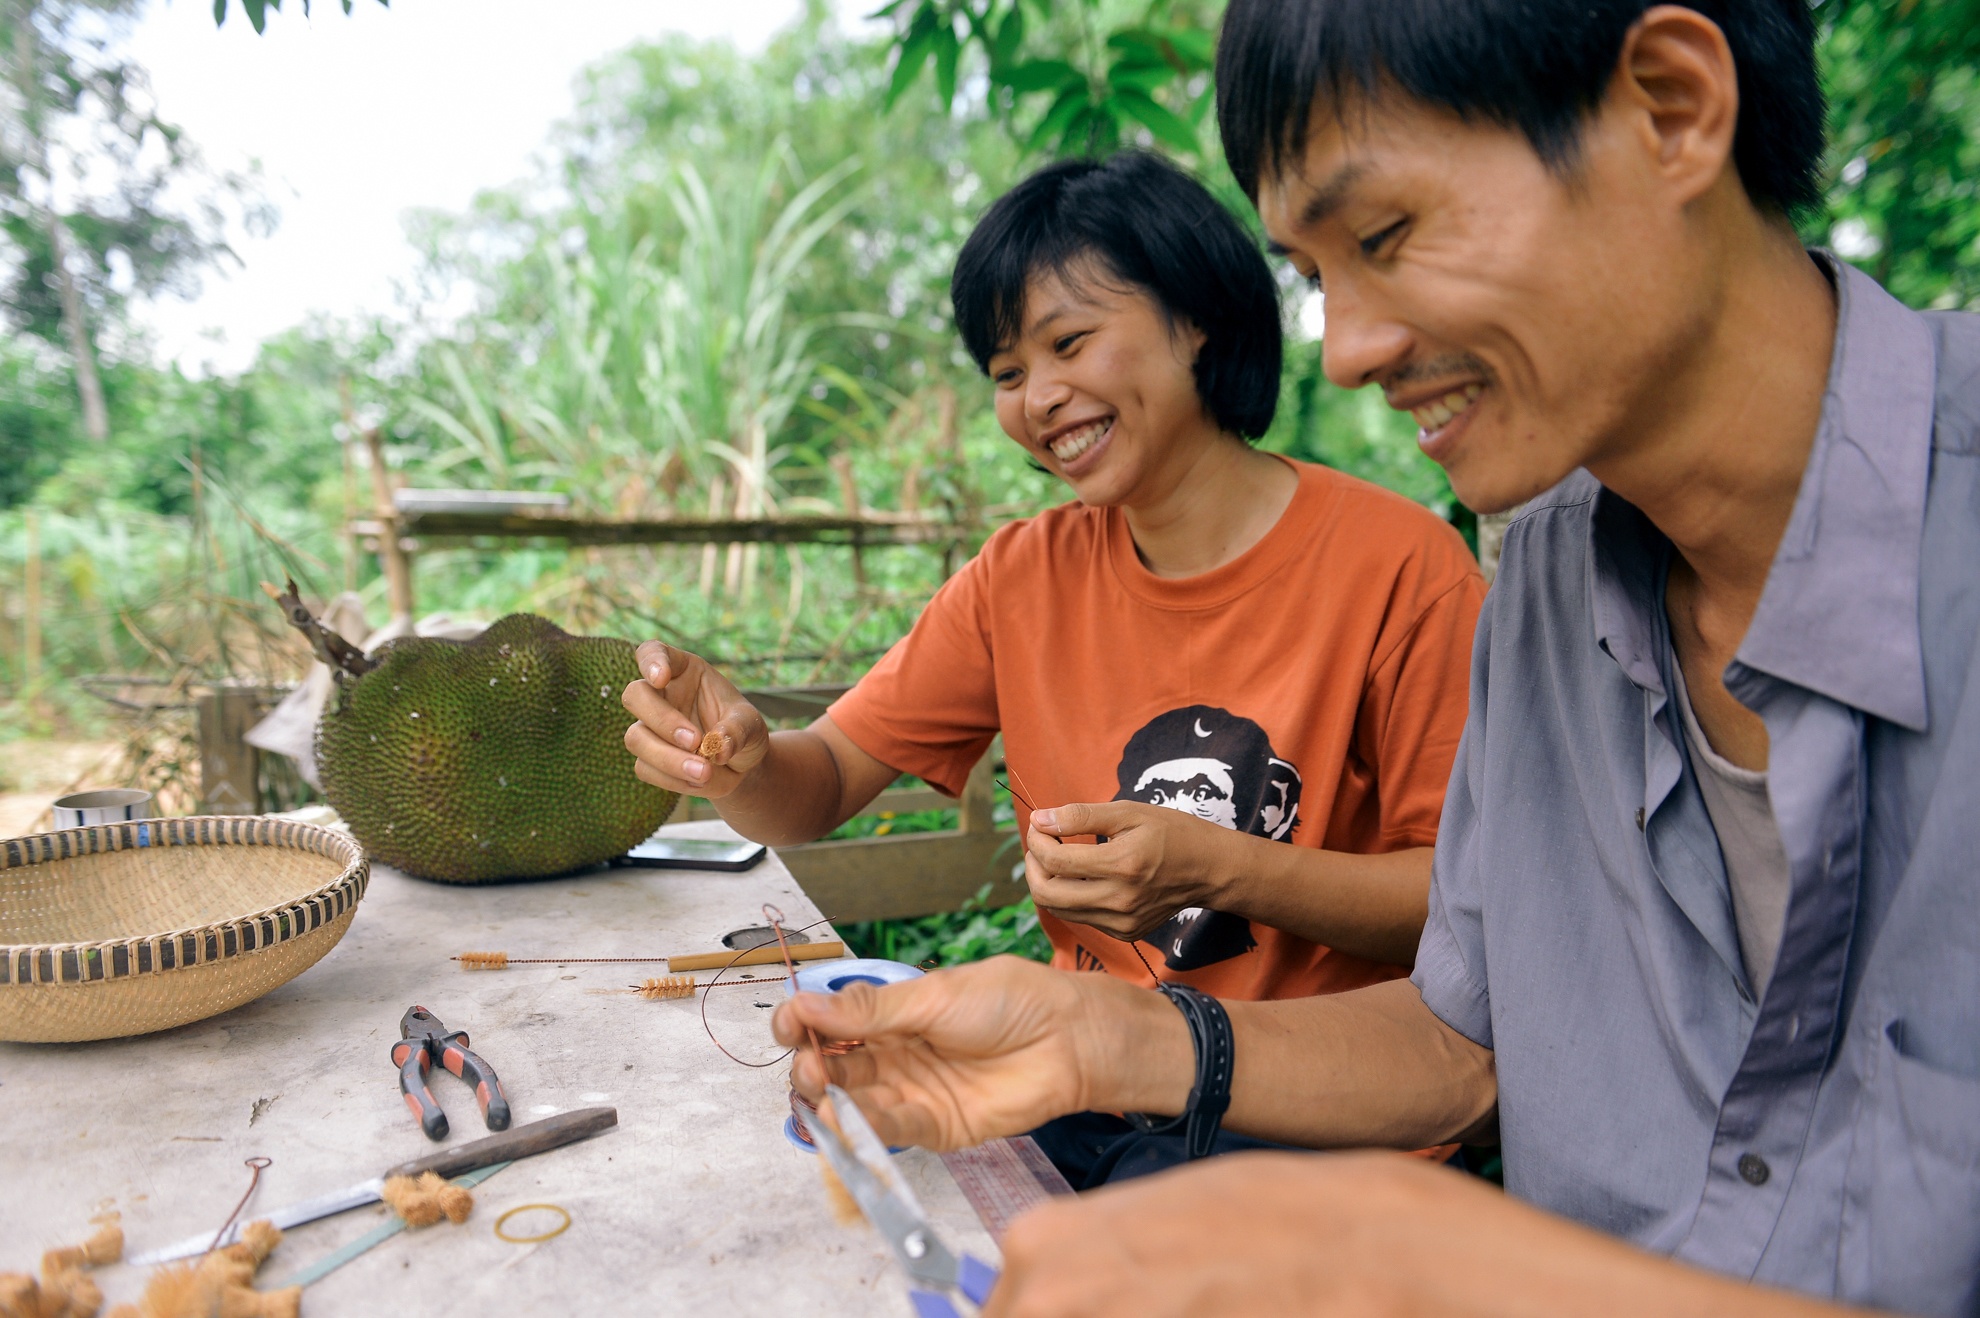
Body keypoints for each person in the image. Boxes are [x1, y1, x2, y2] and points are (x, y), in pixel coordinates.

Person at [770, 0, 1980, 1313]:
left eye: (1387, 235)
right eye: (1315, 276)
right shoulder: (1552, 586)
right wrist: (1093, 1037)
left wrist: (1418, 1255)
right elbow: (1462, 1040)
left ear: (1670, 111)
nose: (1348, 352)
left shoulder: (1416, 567)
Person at [623, 153, 1484, 1182]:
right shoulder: (1019, 579)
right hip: (1079, 1091)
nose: (1039, 396)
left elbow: (1465, 907)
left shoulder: (1401, 569)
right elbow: (821, 785)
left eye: (1069, 343)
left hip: (1320, 1123)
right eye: (1006, 373)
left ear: (1196, 320)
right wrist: (742, 762)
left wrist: (1222, 866)